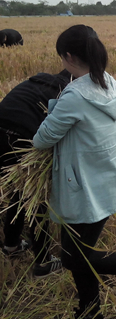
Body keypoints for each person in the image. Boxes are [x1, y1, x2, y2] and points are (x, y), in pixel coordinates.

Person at [33, 25, 116, 319]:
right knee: (80, 252)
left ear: (69, 56)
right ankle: (89, 309)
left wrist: (54, 110)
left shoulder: (74, 96)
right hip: (107, 183)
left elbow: (42, 139)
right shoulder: (111, 84)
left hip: (80, 188)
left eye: (62, 57)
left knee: (74, 257)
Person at [1, 70, 70, 278]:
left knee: (17, 192)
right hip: (21, 139)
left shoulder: (36, 81)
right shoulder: (67, 93)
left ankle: (11, 245)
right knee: (37, 197)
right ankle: (43, 261)